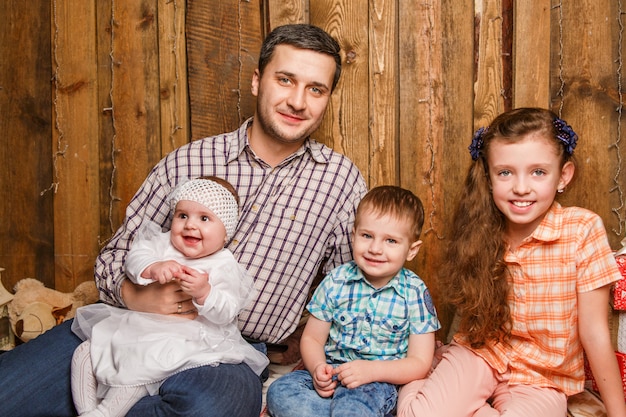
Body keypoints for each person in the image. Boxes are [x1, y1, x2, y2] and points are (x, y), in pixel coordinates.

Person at [0, 23, 367, 417]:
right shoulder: (190, 161)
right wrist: (138, 296)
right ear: (258, 82)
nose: (298, 101)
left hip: (226, 352)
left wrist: (309, 356)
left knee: (203, 407)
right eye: (285, 80)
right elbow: (114, 256)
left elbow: (352, 292)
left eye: (316, 89)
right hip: (129, 324)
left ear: (328, 98)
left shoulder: (340, 182)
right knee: (9, 392)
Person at [396, 107, 626, 417]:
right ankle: (421, 383)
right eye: (505, 172)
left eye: (538, 172)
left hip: (543, 379)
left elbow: (594, 332)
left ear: (563, 176)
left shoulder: (582, 230)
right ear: (489, 178)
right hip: (480, 355)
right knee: (417, 414)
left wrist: (618, 413)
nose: (520, 187)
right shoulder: (481, 229)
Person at [70, 176, 269, 417]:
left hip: (185, 337)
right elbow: (134, 258)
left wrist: (205, 293)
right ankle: (87, 411)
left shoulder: (222, 264)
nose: (190, 225)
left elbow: (227, 310)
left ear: (225, 232)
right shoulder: (162, 245)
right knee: (85, 353)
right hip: (138, 324)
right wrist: (152, 267)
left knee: (142, 365)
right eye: (182, 215)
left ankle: (106, 412)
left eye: (204, 218)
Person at [266, 185, 441, 417]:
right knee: (280, 391)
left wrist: (370, 371)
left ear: (411, 250)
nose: (375, 249)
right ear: (353, 235)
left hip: (378, 382)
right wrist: (319, 368)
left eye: (391, 241)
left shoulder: (414, 292)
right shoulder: (336, 281)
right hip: (333, 369)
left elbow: (420, 363)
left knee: (353, 405)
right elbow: (312, 339)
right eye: (367, 236)